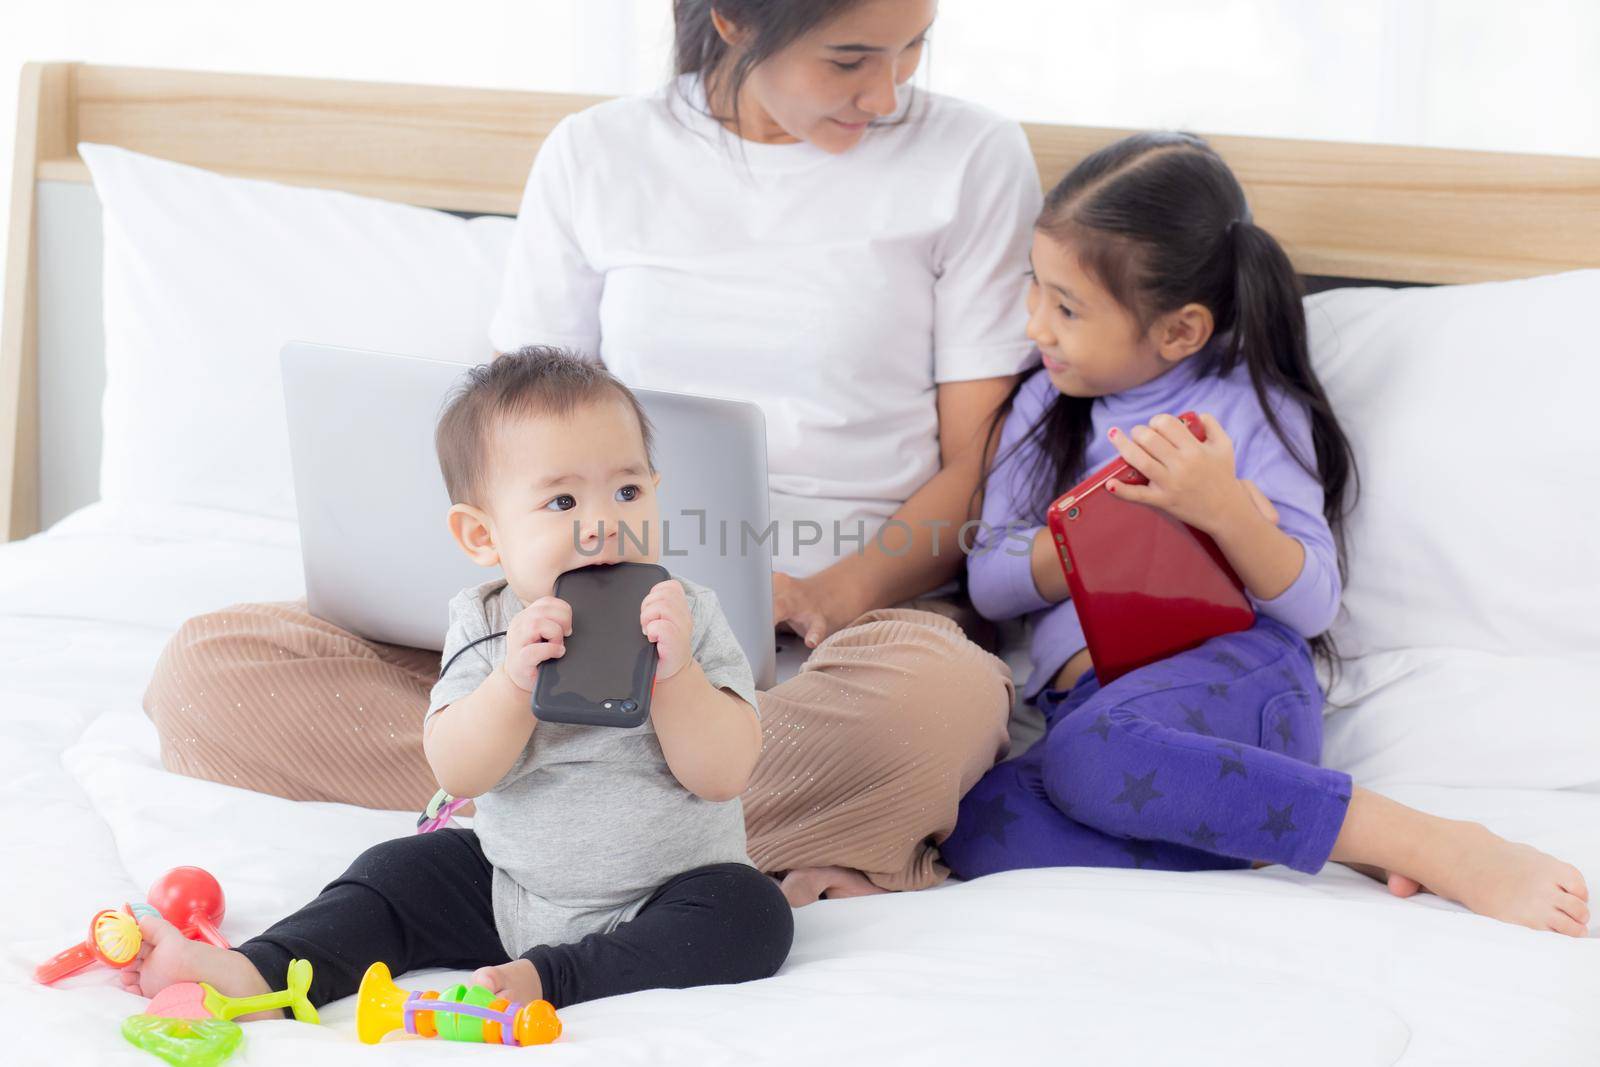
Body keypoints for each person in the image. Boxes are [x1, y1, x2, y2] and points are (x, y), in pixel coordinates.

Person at [144, 0, 1034, 905]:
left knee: (942, 701)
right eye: (849, 60)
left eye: (915, 48)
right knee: (211, 672)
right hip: (569, 630)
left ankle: (546, 815)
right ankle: (676, 822)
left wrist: (826, 596)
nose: (889, 93)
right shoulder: (597, 153)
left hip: (845, 629)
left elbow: (980, 466)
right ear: (730, 19)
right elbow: (515, 428)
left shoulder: (972, 158)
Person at [940, 132, 1591, 937]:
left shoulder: (1247, 404)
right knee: (971, 824)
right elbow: (988, 581)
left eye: (1066, 307)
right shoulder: (1043, 408)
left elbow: (1312, 599)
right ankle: (1249, 825)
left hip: (1239, 674)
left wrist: (1223, 509)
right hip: (1097, 703)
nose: (1035, 323)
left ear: (1179, 331)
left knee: (1090, 760)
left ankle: (1422, 841)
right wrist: (1081, 530)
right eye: (1035, 289)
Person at [120, 348, 794, 1012]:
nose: (603, 524)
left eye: (627, 490)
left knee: (753, 912)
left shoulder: (689, 612)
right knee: (396, 871)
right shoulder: (485, 623)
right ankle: (260, 970)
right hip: (510, 890)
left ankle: (555, 977)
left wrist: (674, 675)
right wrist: (509, 683)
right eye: (561, 500)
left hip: (666, 893)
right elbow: (459, 769)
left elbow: (724, 771)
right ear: (481, 536)